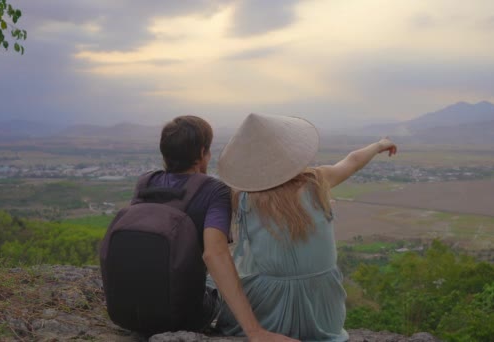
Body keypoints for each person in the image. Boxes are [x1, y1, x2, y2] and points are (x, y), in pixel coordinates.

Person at [100, 116, 297, 341]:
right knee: (221, 281)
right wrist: (255, 332)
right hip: (182, 317)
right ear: (203, 153)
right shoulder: (214, 192)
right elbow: (215, 254)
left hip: (125, 313)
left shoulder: (145, 182)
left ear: (165, 153)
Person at [216, 113, 397, 341]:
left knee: (215, 282)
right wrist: (380, 144)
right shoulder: (317, 182)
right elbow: (352, 161)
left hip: (268, 311)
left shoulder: (242, 197)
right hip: (324, 311)